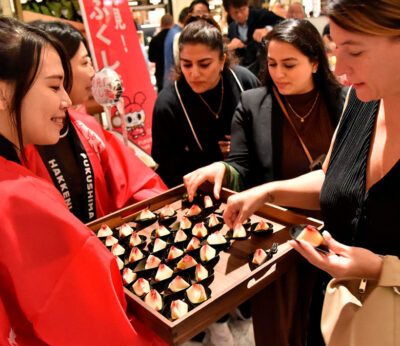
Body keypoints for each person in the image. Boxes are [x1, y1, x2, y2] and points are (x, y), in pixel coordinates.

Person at [223, 0, 400, 344]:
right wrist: (267, 192)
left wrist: (380, 268)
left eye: (355, 52)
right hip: (335, 313)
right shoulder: (359, 102)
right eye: (336, 50)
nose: (341, 70)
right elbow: (334, 177)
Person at [0, 16, 163, 345]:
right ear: (4, 92)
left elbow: (132, 182)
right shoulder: (17, 198)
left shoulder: (84, 129)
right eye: (53, 84)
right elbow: (90, 323)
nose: (65, 99)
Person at [185, 19, 346, 203]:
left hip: (334, 220)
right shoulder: (252, 104)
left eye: (289, 65)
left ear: (315, 63)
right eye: (272, 64)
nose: (278, 73)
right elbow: (241, 166)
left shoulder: (346, 102)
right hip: (277, 219)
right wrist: (223, 169)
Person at [23, 20, 167, 224]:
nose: (93, 73)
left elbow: (137, 185)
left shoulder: (87, 128)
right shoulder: (21, 142)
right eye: (84, 63)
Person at [152, 16, 259, 188]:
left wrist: (241, 150)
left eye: (204, 64)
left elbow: (267, 135)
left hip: (250, 185)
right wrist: (213, 158)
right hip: (196, 194)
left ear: (222, 61)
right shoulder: (168, 104)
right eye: (187, 65)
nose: (194, 74)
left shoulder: (244, 82)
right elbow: (167, 164)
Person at [223, 0, 283, 77]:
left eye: (243, 10)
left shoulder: (261, 15)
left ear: (247, 5)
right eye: (235, 12)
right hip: (244, 71)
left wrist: (268, 29)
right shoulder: (231, 24)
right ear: (229, 12)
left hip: (264, 68)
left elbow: (285, 22)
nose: (239, 15)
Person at [163, 7, 190, 88]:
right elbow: (178, 63)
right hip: (174, 83)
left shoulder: (172, 32)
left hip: (169, 81)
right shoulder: (178, 35)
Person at [149, 14, 173, 92]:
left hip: (160, 74)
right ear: (172, 23)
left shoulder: (155, 39)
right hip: (173, 73)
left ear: (161, 24)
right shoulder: (175, 37)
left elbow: (151, 58)